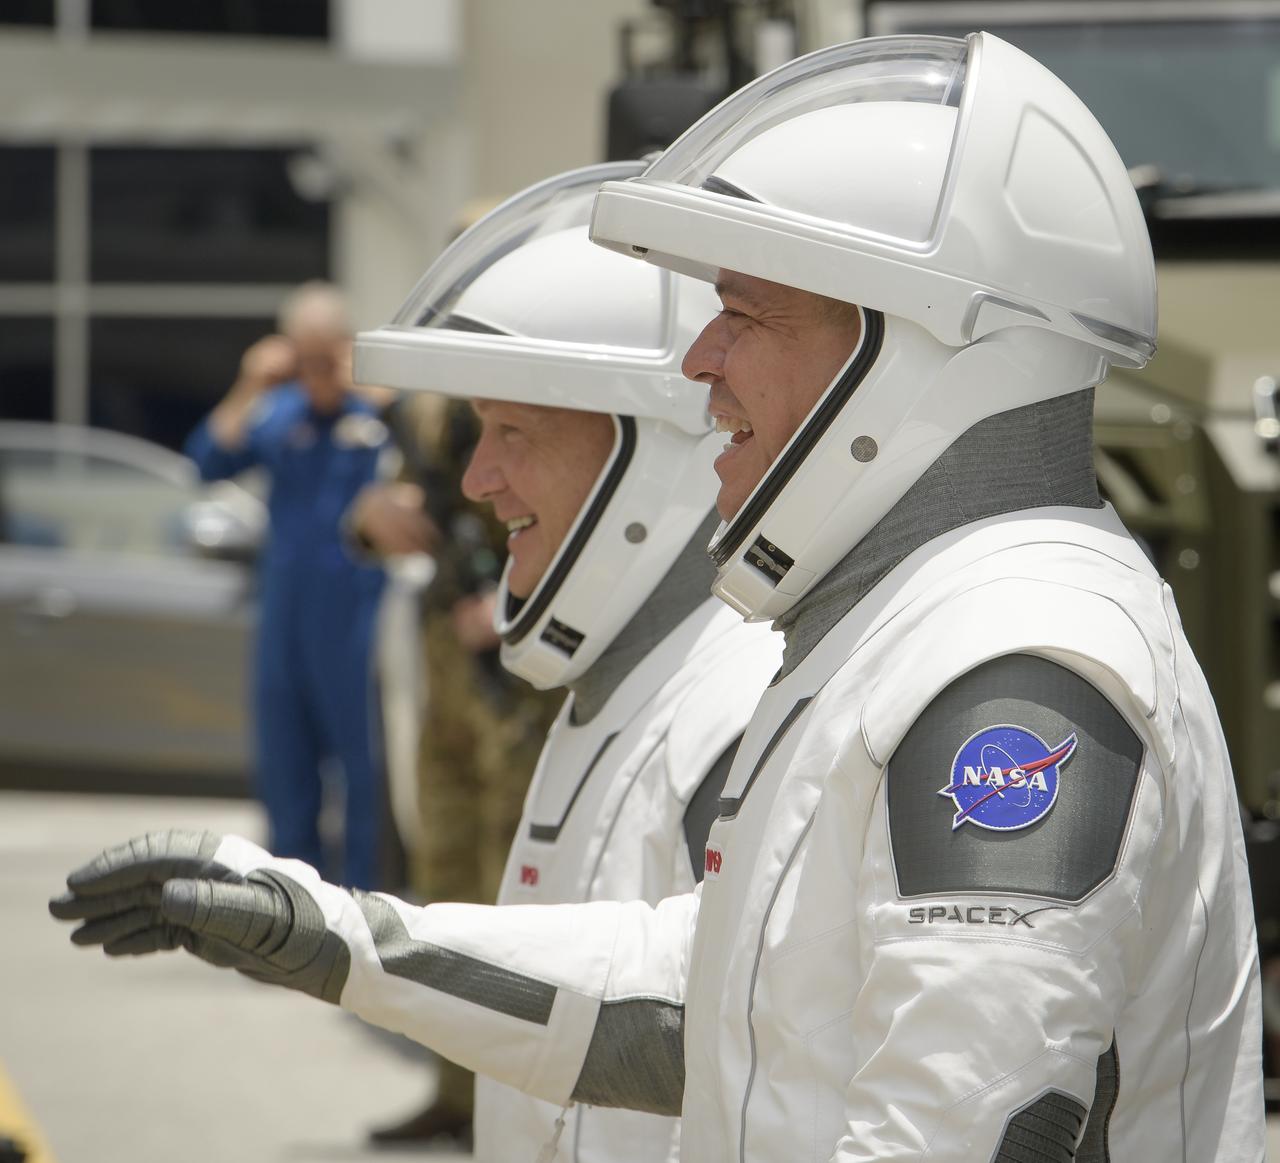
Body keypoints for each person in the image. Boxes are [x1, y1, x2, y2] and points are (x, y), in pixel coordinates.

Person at [50, 34, 1265, 1161]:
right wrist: (332, 932)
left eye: (746, 311)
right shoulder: (919, 633)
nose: (696, 361)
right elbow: (723, 992)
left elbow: (955, 1125)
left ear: (908, 346)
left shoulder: (1012, 666)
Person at [54, 162, 781, 1163]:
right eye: (481, 429)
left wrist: (339, 939)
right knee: (445, 850)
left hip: (472, 656)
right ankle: (451, 1087)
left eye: (514, 429)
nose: (480, 473)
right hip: (421, 645)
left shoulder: (732, 709)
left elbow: (687, 1007)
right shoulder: (622, 692)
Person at [352, 393, 561, 1147]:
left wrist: (520, 604)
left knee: (514, 897)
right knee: (445, 888)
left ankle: (511, 1105)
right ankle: (457, 1088)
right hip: (448, 683)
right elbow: (397, 503)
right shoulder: (431, 414)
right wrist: (375, 513)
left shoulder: (533, 392)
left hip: (521, 690)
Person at [183, 282, 390, 890]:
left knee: (360, 767)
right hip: (285, 616)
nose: (316, 374)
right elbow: (205, 460)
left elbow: (424, 461)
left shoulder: (372, 415)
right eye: (305, 360)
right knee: (284, 759)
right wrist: (251, 383)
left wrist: (373, 390)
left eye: (326, 358)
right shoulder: (278, 413)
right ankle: (289, 896)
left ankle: (362, 896)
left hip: (353, 618)